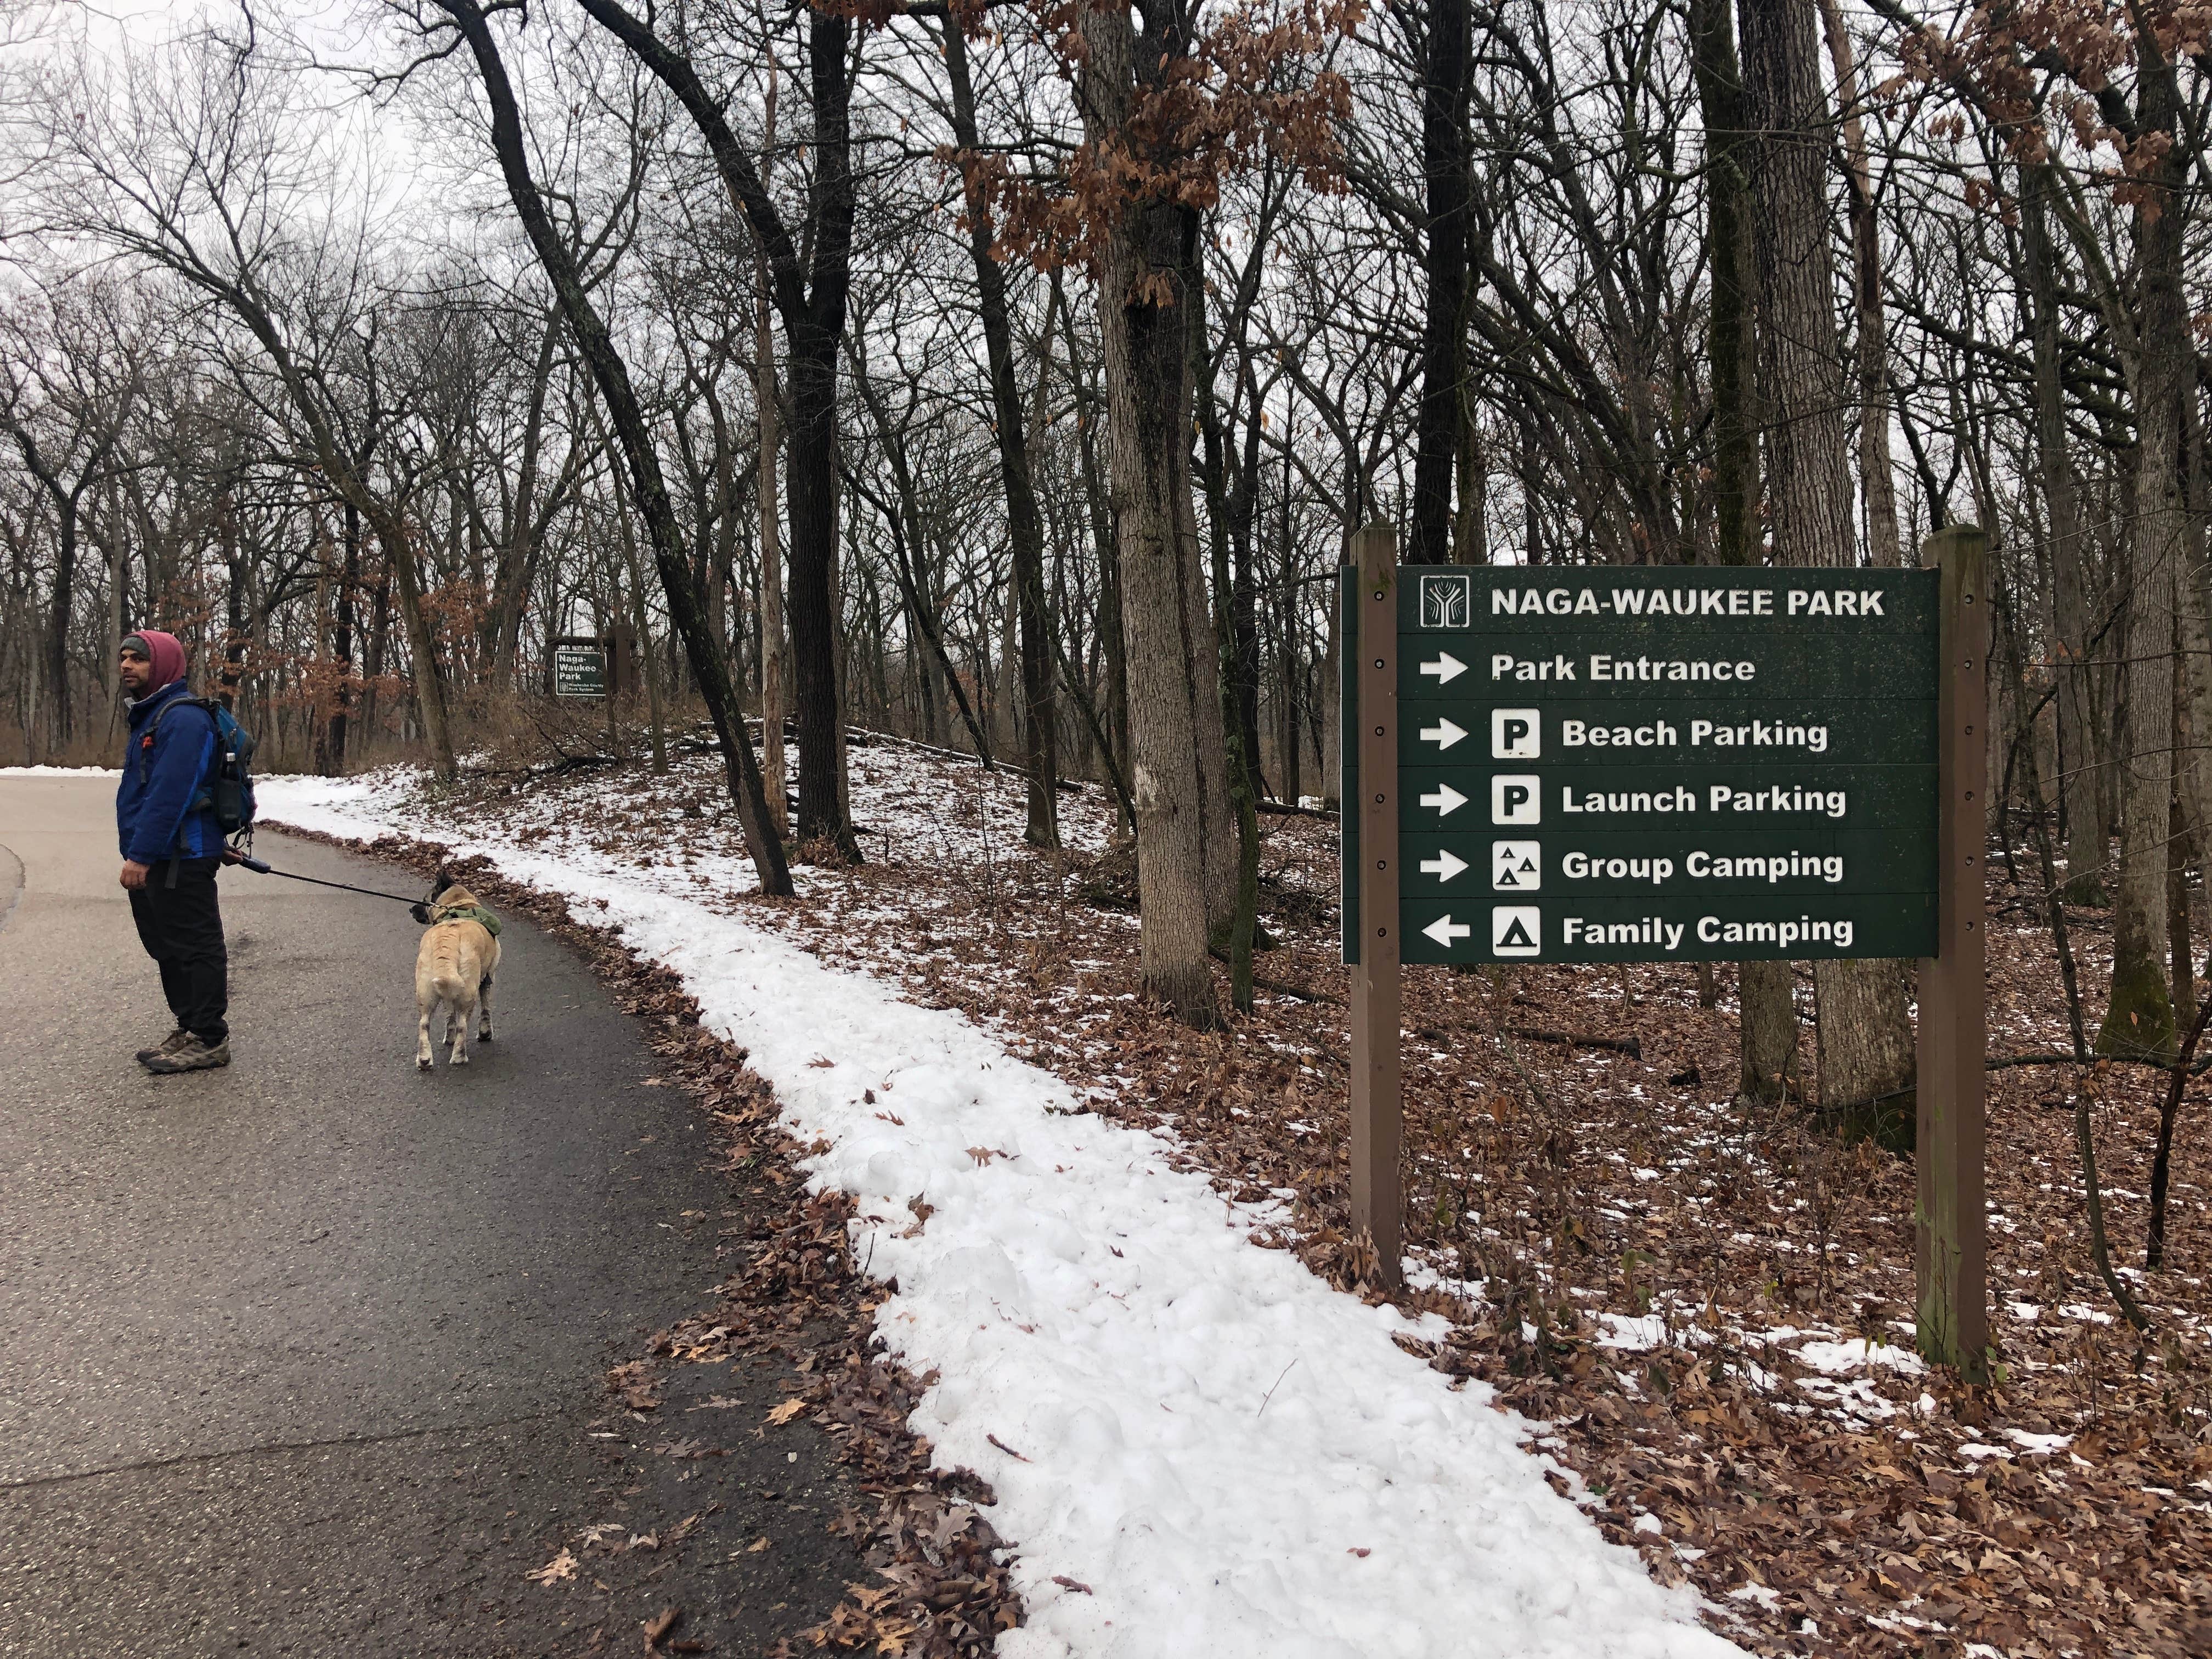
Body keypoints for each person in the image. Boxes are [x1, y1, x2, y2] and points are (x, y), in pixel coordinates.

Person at [115, 630, 232, 1074]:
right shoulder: (152, 716)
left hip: (178, 853)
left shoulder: (181, 720)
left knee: (195, 945)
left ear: (163, 665)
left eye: (138, 660)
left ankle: (210, 1037)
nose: (127, 665)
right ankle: (189, 1025)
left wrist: (141, 855)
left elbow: (170, 793)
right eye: (124, 658)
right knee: (168, 945)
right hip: (164, 853)